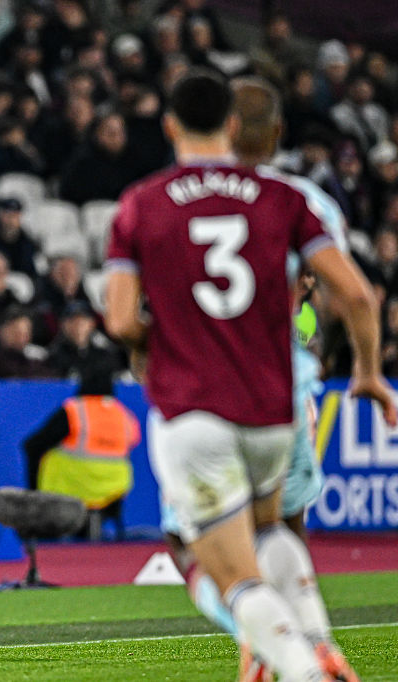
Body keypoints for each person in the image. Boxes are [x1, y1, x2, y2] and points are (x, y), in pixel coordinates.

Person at [104, 69, 394, 682]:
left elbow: (122, 319)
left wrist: (162, 338)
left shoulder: (142, 202)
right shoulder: (287, 198)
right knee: (271, 530)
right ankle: (314, 638)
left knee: (210, 564)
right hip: (276, 402)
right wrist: (368, 372)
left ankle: (295, 664)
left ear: (169, 125)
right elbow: (360, 295)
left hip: (195, 406)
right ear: (231, 125)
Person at [158, 75, 359, 682]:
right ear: (275, 132)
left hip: (203, 389)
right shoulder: (307, 201)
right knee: (281, 526)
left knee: (193, 542)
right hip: (286, 382)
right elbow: (336, 292)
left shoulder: (169, 197)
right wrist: (317, 352)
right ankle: (301, 641)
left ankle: (277, 646)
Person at [22, 360, 139, 511]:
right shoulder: (124, 415)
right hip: (115, 489)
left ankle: (36, 509)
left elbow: (33, 444)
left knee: (41, 452)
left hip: (74, 487)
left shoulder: (75, 410)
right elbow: (133, 441)